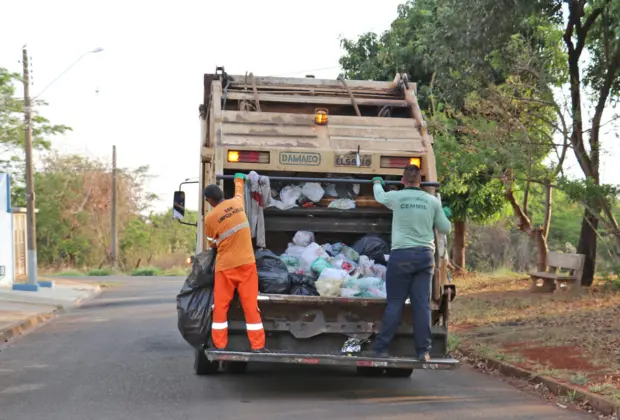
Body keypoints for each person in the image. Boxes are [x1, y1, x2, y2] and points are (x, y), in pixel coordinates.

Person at [365, 164, 451, 362]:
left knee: (395, 303)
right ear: (421, 182)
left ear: (403, 181)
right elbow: (445, 228)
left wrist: (377, 182)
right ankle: (423, 352)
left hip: (401, 257)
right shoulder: (431, 201)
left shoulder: (396, 197)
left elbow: (379, 196)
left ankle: (381, 349)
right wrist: (445, 214)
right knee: (421, 305)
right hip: (424, 258)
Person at [203, 173, 266, 353]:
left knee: (220, 308)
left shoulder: (210, 217)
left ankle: (220, 347)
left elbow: (211, 242)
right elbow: (239, 191)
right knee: (251, 306)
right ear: (222, 194)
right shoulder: (237, 203)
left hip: (225, 268)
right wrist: (239, 178)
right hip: (247, 264)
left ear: (209, 200)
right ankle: (258, 347)